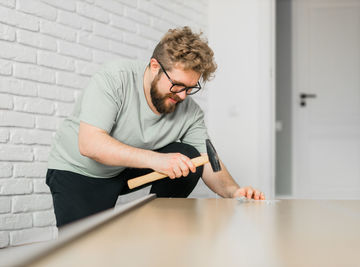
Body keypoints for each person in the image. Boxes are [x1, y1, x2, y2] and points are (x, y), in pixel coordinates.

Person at [46, 26, 265, 227]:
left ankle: (160, 229)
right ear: (154, 67)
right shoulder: (115, 78)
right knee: (84, 251)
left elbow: (206, 159)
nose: (182, 95)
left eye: (190, 88)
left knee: (188, 156)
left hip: (124, 169)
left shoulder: (190, 110)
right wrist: (156, 160)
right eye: (177, 85)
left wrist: (235, 192)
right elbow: (90, 144)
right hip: (79, 170)